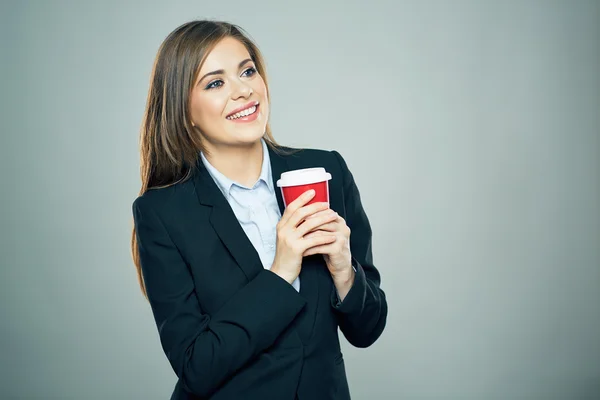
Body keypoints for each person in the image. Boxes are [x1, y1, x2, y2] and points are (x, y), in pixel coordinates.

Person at [131, 20, 387, 400]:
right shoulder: (163, 213)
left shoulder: (326, 171)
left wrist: (344, 271)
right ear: (185, 111)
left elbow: (367, 330)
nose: (243, 90)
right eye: (215, 83)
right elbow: (196, 366)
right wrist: (281, 272)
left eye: (247, 71)